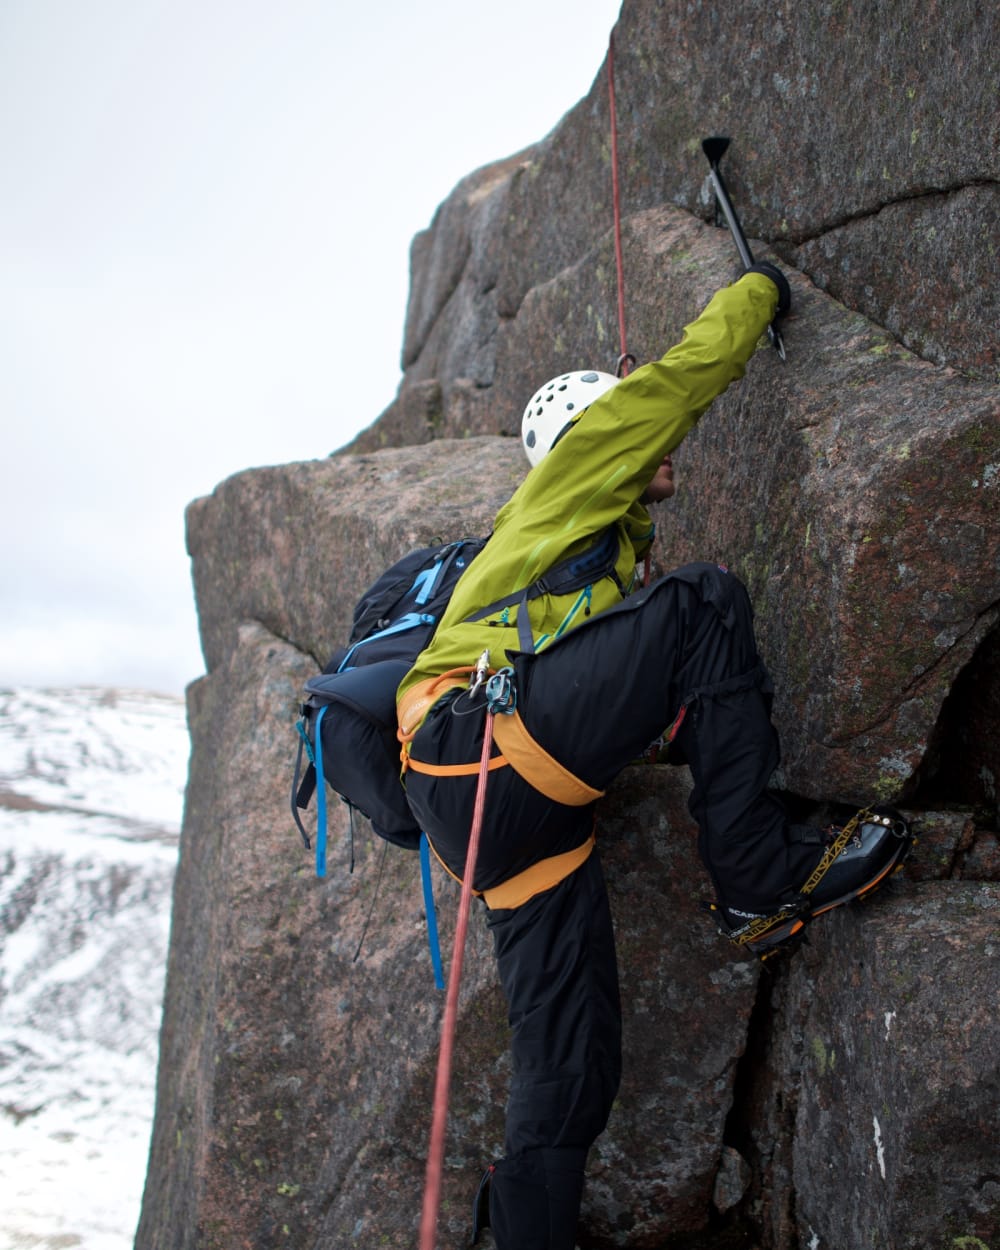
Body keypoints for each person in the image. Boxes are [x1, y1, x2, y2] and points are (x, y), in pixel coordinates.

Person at [394, 266, 912, 1250]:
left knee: (572, 1047)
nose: (663, 441)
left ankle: (528, 1235)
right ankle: (755, 868)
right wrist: (756, 292)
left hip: (498, 808)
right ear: (602, 427)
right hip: (483, 750)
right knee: (703, 601)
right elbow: (683, 379)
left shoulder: (576, 547)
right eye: (638, 424)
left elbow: (610, 686)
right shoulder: (577, 468)